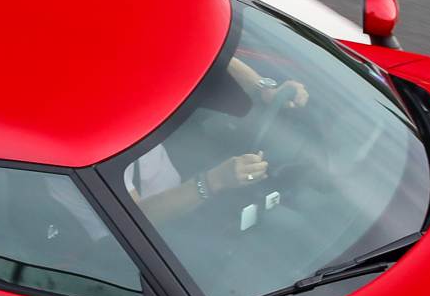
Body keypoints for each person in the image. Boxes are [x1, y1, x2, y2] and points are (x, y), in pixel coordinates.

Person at [124, 54, 308, 226]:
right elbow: (133, 220)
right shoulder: (100, 144)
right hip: (166, 228)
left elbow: (203, 52)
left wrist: (265, 90)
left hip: (182, 175)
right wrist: (215, 180)